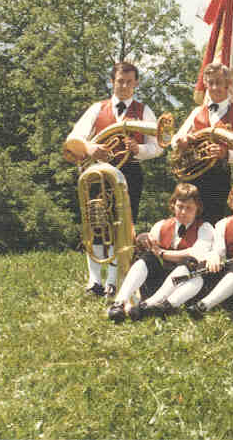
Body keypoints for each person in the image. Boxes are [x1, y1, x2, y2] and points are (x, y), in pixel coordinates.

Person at [67, 61, 164, 297]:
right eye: (120, 81)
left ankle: (112, 281)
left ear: (136, 84)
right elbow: (74, 138)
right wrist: (90, 148)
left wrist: (139, 149)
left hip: (129, 172)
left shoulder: (144, 110)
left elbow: (159, 146)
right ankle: (94, 281)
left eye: (130, 82)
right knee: (95, 224)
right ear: (112, 82)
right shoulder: (97, 109)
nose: (124, 86)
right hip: (98, 172)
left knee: (121, 227)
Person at [163, 182, 233, 316]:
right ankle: (168, 304)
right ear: (231, 204)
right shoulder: (222, 225)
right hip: (226, 278)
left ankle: (204, 305)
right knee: (200, 266)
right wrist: (214, 257)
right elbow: (217, 251)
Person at [106, 183, 214, 322]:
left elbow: (196, 253)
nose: (183, 212)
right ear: (173, 205)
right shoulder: (161, 225)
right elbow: (145, 245)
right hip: (159, 282)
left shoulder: (205, 228)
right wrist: (142, 239)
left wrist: (163, 254)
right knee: (147, 257)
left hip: (184, 286)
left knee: (190, 261)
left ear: (197, 208)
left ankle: (148, 306)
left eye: (189, 208)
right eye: (180, 206)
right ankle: (119, 303)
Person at [171, 62, 233, 225]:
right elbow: (175, 140)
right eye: (210, 83)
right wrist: (182, 142)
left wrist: (226, 154)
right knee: (187, 221)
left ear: (228, 84)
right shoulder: (197, 112)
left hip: (218, 178)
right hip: (191, 175)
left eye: (219, 82)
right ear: (206, 84)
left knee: (213, 222)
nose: (214, 87)